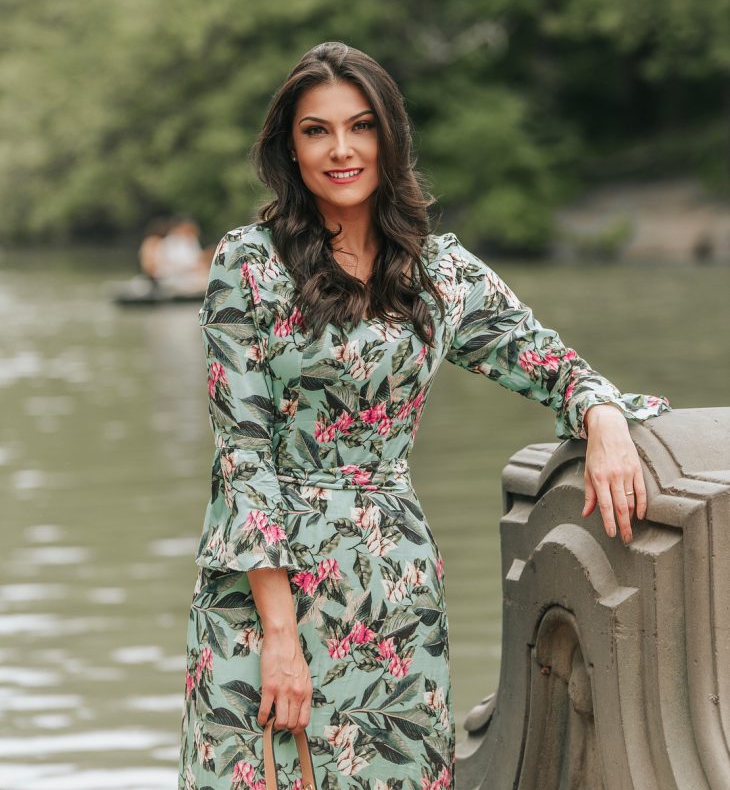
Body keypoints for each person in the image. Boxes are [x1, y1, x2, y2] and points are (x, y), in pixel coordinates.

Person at [178, 42, 671, 789]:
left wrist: (601, 416)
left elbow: (552, 366)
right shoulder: (247, 265)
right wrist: (279, 635)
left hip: (389, 587)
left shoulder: (440, 273)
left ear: (391, 137)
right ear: (290, 147)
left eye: (361, 126)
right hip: (261, 592)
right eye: (316, 130)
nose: (341, 149)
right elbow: (242, 453)